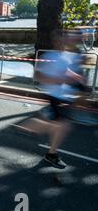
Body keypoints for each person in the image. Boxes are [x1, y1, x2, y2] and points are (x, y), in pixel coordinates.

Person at [15, 34, 85, 169]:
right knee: (62, 126)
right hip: (54, 96)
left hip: (65, 97)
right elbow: (38, 75)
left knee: (61, 126)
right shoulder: (49, 56)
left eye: (65, 39)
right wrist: (58, 80)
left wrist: (76, 78)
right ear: (56, 41)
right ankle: (28, 128)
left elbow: (66, 71)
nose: (64, 42)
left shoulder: (66, 55)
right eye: (61, 39)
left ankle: (50, 152)